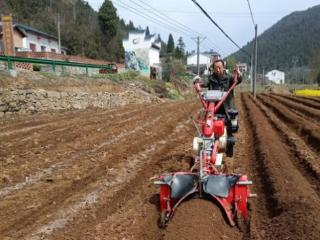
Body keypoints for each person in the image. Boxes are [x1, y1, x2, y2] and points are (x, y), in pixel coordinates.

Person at [194, 59, 242, 157]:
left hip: (226, 108)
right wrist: (197, 83)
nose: (218, 70)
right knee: (210, 127)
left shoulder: (229, 77)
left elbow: (238, 80)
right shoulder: (211, 78)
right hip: (214, 107)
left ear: (223, 67)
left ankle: (228, 152)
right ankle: (208, 149)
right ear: (213, 69)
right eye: (216, 68)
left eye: (220, 67)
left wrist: (238, 73)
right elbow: (204, 82)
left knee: (229, 129)